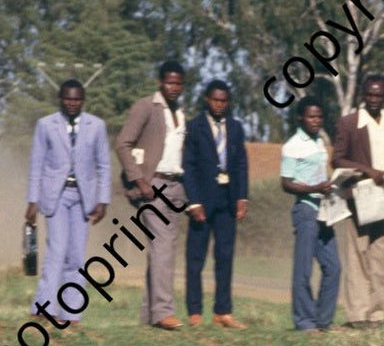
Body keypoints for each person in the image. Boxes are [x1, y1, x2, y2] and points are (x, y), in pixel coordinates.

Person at [25, 80, 109, 328]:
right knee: (56, 251)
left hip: (83, 197)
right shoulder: (46, 125)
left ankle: (71, 314)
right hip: (56, 195)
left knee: (76, 257)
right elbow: (36, 164)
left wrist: (103, 200)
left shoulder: (97, 126)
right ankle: (44, 308)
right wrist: (32, 200)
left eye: (77, 99)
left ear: (83, 100)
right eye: (67, 98)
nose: (72, 103)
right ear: (60, 99)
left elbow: (104, 165)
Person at [117, 60, 190, 330]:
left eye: (179, 83)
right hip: (153, 185)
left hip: (176, 185)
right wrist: (139, 179)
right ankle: (163, 311)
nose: (174, 87)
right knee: (162, 245)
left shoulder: (181, 113)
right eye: (170, 82)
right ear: (160, 82)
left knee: (163, 249)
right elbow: (123, 144)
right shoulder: (146, 106)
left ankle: (149, 315)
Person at [333, 74, 384, 328]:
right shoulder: (349, 123)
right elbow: (338, 159)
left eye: (379, 95)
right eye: (370, 95)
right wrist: (368, 170)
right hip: (359, 197)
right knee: (358, 255)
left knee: (380, 257)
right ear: (363, 95)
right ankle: (358, 316)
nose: (374, 99)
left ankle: (377, 315)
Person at [181, 80, 249, 328]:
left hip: (227, 200)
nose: (219, 104)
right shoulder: (195, 127)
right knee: (196, 258)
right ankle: (194, 312)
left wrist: (242, 197)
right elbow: (188, 166)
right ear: (207, 100)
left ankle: (223, 311)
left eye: (223, 100)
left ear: (228, 102)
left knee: (225, 256)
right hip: (202, 200)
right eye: (215, 100)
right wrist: (194, 201)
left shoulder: (236, 127)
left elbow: (241, 163)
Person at [280, 96, 340, 333]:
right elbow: (286, 183)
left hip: (324, 209)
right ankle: (304, 321)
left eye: (319, 117)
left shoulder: (319, 143)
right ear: (300, 117)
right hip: (305, 209)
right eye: (311, 116)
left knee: (333, 266)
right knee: (303, 269)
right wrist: (315, 188)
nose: (316, 121)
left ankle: (323, 321)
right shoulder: (292, 146)